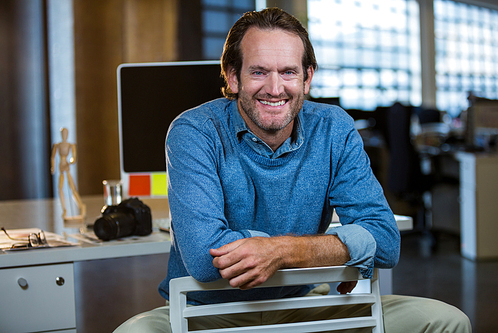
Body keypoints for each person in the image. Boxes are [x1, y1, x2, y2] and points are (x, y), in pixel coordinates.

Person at [115, 7, 471, 333]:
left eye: (288, 72)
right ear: (233, 76)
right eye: (258, 72)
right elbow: (205, 260)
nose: (275, 88)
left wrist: (282, 251)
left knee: (446, 322)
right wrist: (338, 249)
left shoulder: (334, 128)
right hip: (210, 315)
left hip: (304, 305)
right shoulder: (194, 131)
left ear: (307, 78)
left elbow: (386, 241)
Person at [50, 127, 86, 221]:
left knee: (72, 188)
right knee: (60, 188)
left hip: (66, 165)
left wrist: (70, 162)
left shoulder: (71, 145)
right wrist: (53, 167)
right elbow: (53, 157)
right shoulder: (57, 145)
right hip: (61, 166)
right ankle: (64, 210)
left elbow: (74, 158)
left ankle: (81, 206)